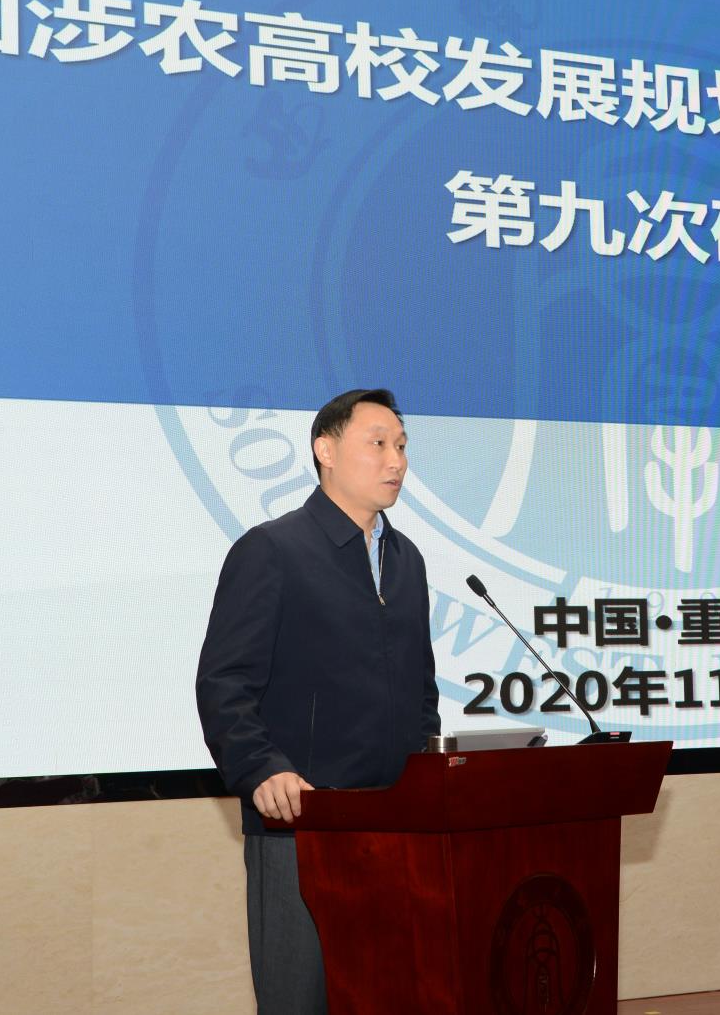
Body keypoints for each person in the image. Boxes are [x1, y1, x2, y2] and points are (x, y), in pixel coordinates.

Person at [195, 388, 441, 1014]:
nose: (396, 460)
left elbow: (422, 689)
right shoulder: (273, 550)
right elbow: (224, 682)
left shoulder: (407, 560)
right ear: (325, 451)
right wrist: (260, 768)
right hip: (302, 824)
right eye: (378, 443)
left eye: (402, 446)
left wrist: (428, 775)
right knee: (299, 999)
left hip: (396, 825)